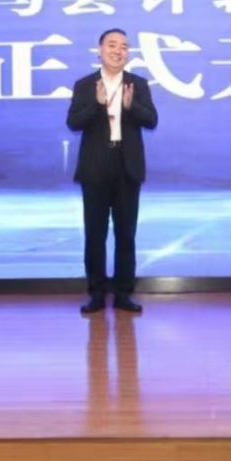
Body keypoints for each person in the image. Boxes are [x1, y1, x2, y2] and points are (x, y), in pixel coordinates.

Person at [67, 28, 159, 314]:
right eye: (112, 45)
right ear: (99, 50)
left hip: (127, 166)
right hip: (95, 167)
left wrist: (131, 107)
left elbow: (152, 120)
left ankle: (123, 294)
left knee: (125, 234)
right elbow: (73, 122)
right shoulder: (85, 85)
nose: (118, 51)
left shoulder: (138, 84)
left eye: (124, 46)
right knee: (95, 234)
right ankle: (96, 293)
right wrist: (97, 105)